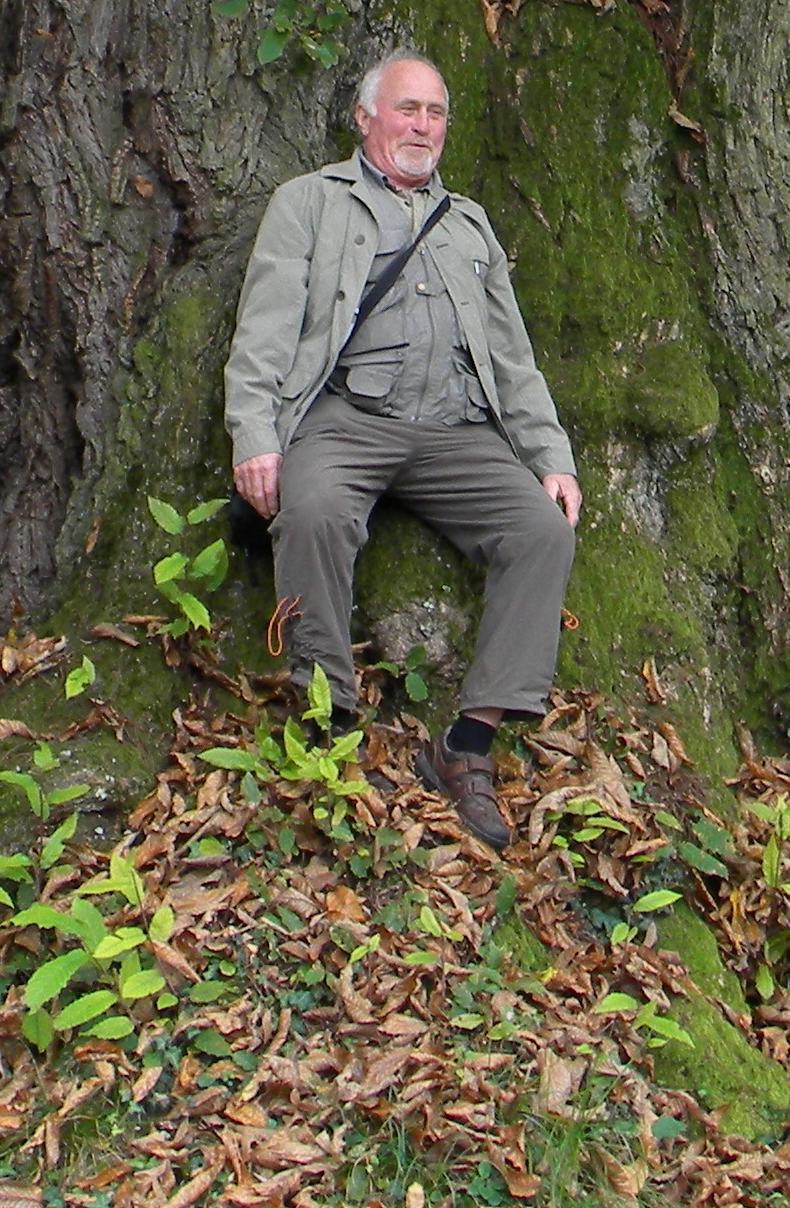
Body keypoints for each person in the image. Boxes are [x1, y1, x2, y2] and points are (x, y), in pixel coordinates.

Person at [224, 52, 580, 849]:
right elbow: (265, 332)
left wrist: (550, 456)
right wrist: (255, 437)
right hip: (347, 421)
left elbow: (512, 356)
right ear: (365, 117)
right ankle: (328, 721)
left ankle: (467, 748)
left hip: (459, 432)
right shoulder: (309, 204)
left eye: (435, 113)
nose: (422, 126)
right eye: (407, 109)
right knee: (311, 513)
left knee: (542, 535)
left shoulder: (469, 224)